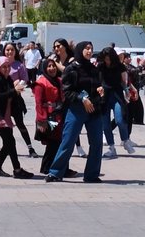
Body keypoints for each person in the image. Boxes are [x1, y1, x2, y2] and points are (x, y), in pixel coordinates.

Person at [45, 41, 105, 183]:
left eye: (91, 48)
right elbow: (67, 90)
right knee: (68, 141)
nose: (90, 51)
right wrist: (81, 98)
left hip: (93, 109)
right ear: (80, 50)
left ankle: (91, 175)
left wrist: (100, 91)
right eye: (87, 48)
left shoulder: (94, 69)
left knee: (97, 143)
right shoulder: (71, 69)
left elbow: (98, 86)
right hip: (77, 109)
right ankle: (55, 172)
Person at [0, 56, 35, 179]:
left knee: (8, 143)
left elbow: (11, 95)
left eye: (8, 66)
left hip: (6, 115)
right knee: (10, 142)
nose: (7, 69)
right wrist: (14, 91)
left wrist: (17, 91)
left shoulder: (8, 79)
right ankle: (17, 169)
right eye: (4, 66)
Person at [98, 46, 137, 159]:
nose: (107, 61)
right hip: (104, 96)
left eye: (109, 58)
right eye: (105, 58)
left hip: (116, 95)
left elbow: (124, 82)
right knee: (105, 124)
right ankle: (111, 147)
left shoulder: (120, 66)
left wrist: (127, 91)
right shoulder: (100, 66)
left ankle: (125, 140)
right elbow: (98, 80)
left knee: (120, 120)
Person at [2, 42, 40, 158]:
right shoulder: (1, 63)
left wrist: (17, 85)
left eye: (12, 50)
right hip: (4, 99)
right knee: (5, 127)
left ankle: (30, 147)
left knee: (20, 124)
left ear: (15, 52)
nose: (9, 52)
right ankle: (6, 147)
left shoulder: (19, 65)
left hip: (16, 99)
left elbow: (25, 79)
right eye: (7, 50)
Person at [34, 58, 69, 174]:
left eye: (53, 66)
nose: (52, 68)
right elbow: (38, 103)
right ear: (44, 68)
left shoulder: (59, 81)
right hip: (49, 117)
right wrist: (41, 120)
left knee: (61, 142)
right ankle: (46, 167)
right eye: (49, 66)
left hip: (59, 115)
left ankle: (62, 167)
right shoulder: (41, 83)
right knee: (53, 143)